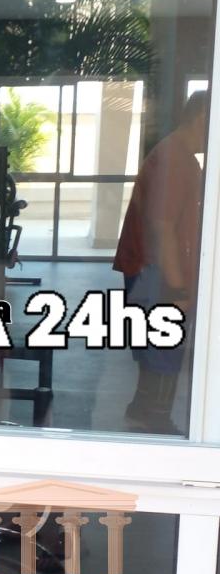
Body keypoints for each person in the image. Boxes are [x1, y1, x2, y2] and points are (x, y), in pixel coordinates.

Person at [113, 90, 208, 434]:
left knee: (153, 344)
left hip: (150, 269)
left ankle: (141, 409)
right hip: (157, 271)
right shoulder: (175, 159)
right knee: (166, 345)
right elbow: (162, 226)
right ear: (202, 118)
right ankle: (155, 420)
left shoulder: (177, 155)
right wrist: (178, 286)